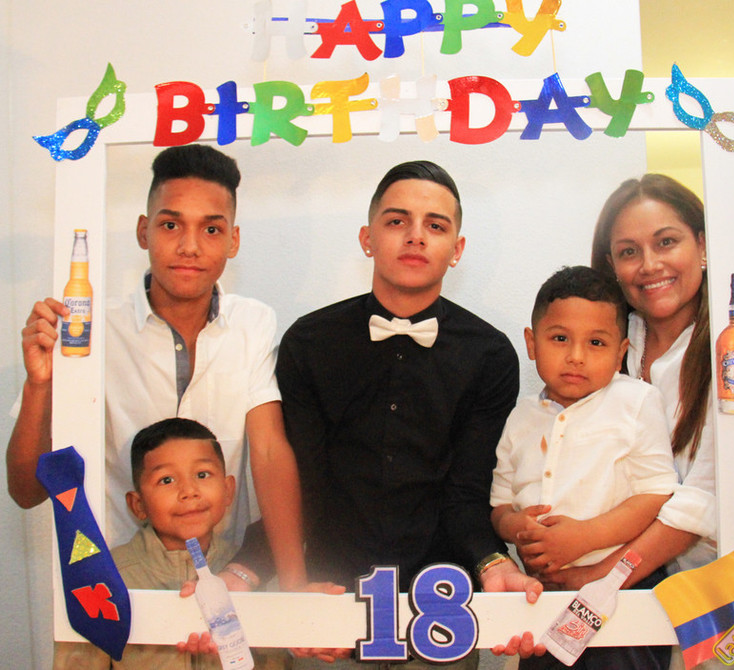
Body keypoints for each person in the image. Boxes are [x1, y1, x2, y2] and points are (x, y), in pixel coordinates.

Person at [232, 160, 544, 665]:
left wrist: (492, 562)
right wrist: (251, 568)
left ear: (457, 249)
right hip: (329, 609)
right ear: (367, 238)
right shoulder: (308, 342)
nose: (416, 236)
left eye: (435, 225)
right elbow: (300, 481)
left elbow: (467, 490)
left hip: (442, 613)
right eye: (398, 221)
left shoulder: (490, 355)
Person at [521, 174, 734, 669]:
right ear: (611, 265)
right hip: (633, 580)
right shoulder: (610, 338)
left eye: (666, 242)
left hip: (732, 583)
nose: (649, 265)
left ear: (703, 245)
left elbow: (711, 493)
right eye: (628, 251)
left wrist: (605, 573)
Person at [7, 144, 307, 591]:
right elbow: (27, 491)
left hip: (225, 583)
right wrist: (39, 385)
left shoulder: (252, 322)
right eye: (171, 225)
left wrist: (294, 584)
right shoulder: (90, 330)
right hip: (113, 592)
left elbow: (267, 452)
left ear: (233, 241)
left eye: (211, 229)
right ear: (143, 231)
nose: (189, 246)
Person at [491, 265, 677, 670]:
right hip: (544, 598)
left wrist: (584, 537)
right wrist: (516, 527)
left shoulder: (636, 402)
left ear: (620, 352)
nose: (576, 356)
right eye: (560, 338)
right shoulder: (520, 418)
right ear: (532, 343)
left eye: (596, 342)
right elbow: (500, 504)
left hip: (625, 593)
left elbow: (657, 494)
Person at [53, 417, 284, 669]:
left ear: (228, 490)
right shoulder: (108, 577)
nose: (189, 491)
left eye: (202, 474)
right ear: (138, 505)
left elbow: (274, 660)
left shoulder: (245, 574)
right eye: (167, 480)